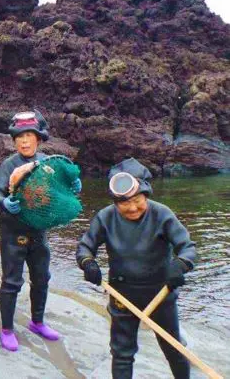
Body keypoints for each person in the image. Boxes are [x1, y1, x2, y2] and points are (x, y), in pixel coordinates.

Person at [76, 158, 195, 379]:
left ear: (147, 194)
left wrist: (180, 265)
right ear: (115, 202)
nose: (132, 207)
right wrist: (88, 263)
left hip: (161, 293)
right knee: (122, 352)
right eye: (124, 203)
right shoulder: (105, 217)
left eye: (138, 200)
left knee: (174, 347)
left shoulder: (162, 214)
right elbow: (85, 247)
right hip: (122, 294)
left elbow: (187, 247)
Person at [0, 110, 82, 351]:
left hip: (38, 231)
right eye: (19, 136)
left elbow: (58, 191)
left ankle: (37, 322)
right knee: (11, 281)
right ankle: (7, 329)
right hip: (13, 232)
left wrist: (73, 187)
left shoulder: (46, 164)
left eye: (29, 135)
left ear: (38, 139)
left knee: (41, 278)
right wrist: (4, 203)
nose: (24, 140)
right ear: (14, 141)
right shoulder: (9, 165)